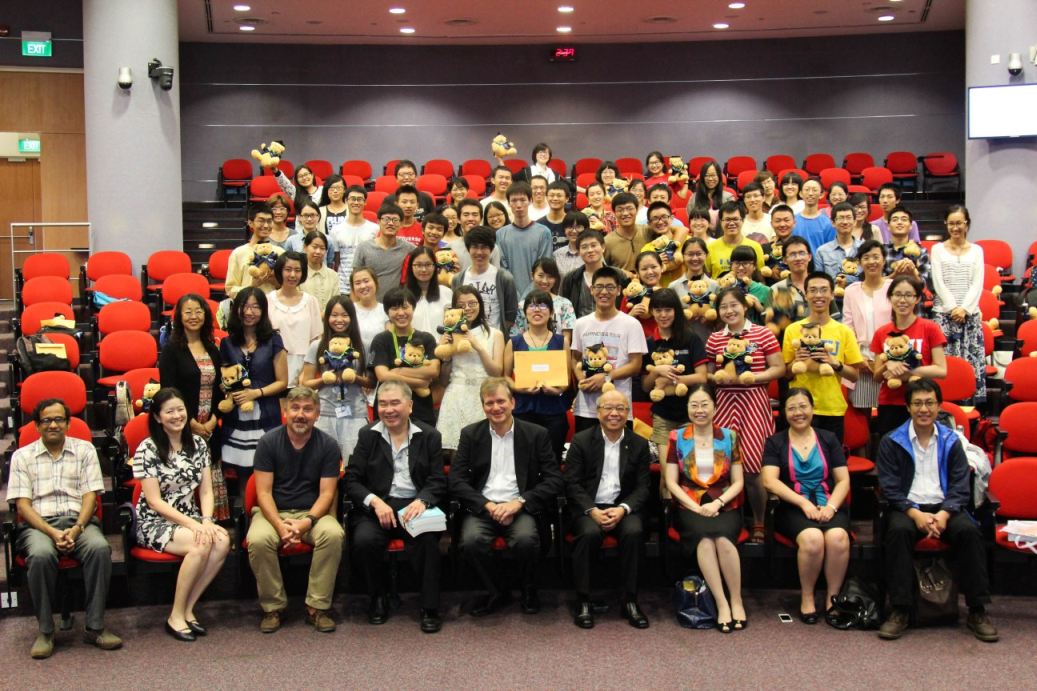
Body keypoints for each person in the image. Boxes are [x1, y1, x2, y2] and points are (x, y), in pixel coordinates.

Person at [875, 379, 997, 642]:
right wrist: (914, 513)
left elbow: (961, 485)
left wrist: (944, 513)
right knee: (898, 532)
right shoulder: (891, 441)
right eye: (917, 403)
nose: (924, 409)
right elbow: (889, 487)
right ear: (908, 407)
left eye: (930, 403)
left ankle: (977, 610)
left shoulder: (952, 441)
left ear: (939, 406)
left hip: (945, 509)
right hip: (908, 508)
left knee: (969, 532)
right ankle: (900, 609)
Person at [8, 399, 122, 659]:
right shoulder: (22, 457)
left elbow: (91, 496)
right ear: (37, 426)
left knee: (99, 548)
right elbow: (23, 506)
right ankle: (46, 631)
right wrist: (53, 533)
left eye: (59, 419)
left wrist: (77, 528)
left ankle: (95, 627)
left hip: (78, 522)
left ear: (68, 424)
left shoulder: (85, 450)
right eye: (46, 420)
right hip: (39, 526)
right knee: (40, 555)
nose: (53, 425)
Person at [450, 378, 564, 616]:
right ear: (483, 406)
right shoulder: (470, 434)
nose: (496, 407)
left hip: (520, 506)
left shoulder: (536, 434)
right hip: (483, 507)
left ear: (513, 403)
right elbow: (456, 480)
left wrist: (519, 503)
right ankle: (496, 591)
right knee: (471, 542)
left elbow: (554, 479)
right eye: (489, 403)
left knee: (526, 540)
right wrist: (487, 505)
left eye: (501, 401)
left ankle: (528, 589)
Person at [345, 381, 448, 633]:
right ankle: (377, 597)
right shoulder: (367, 435)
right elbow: (352, 480)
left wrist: (422, 500)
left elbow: (437, 480)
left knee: (427, 539)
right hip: (378, 505)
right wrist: (374, 501)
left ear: (410, 406)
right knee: (364, 541)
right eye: (383, 404)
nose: (388, 410)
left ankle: (429, 607)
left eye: (395, 403)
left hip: (414, 504)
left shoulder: (429, 436)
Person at [133, 388, 231, 641]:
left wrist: (206, 520)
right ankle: (175, 615)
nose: (177, 416)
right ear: (157, 417)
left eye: (180, 410)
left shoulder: (198, 444)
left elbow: (206, 491)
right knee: (200, 543)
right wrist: (195, 526)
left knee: (222, 541)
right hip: (154, 521)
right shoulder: (147, 448)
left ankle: (188, 608)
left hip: (191, 517)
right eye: (169, 412)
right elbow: (154, 501)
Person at [247, 386, 344, 634]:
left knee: (333, 534)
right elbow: (263, 493)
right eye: (295, 408)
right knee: (258, 539)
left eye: (308, 409)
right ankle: (273, 607)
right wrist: (280, 525)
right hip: (273, 512)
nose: (301, 415)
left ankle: (317, 607)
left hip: (312, 513)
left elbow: (327, 494)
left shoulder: (329, 445)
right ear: (285, 411)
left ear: (317, 414)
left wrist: (307, 521)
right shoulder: (268, 442)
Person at [564, 390, 652, 629]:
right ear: (598, 412)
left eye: (620, 408)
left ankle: (630, 600)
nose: (614, 413)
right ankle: (583, 600)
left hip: (623, 507)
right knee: (589, 533)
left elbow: (643, 487)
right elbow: (572, 483)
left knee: (634, 532)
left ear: (628, 412)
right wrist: (592, 510)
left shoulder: (639, 443)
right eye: (608, 408)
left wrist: (623, 509)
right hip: (589, 508)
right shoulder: (582, 441)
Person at [762, 388, 851, 624]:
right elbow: (769, 481)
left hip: (828, 503)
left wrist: (831, 507)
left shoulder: (828, 438)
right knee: (812, 539)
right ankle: (808, 596)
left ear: (812, 409)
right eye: (791, 408)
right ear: (784, 412)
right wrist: (803, 503)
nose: (798, 413)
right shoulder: (775, 441)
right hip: (793, 506)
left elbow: (843, 480)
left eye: (803, 406)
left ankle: (833, 597)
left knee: (838, 538)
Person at [664, 385, 747, 632]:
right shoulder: (676, 437)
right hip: (689, 506)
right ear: (687, 408)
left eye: (704, 404)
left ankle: (736, 600)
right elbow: (671, 481)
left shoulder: (730, 436)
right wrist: (694, 506)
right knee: (704, 539)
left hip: (725, 504)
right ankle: (721, 603)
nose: (699, 410)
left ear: (715, 407)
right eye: (694, 405)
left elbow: (738, 481)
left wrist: (718, 503)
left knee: (722, 539)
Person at [706, 286, 786, 541]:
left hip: (754, 403)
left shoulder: (763, 334)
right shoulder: (715, 338)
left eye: (734, 305)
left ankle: (760, 521)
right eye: (723, 307)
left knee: (752, 468)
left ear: (745, 306)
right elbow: (709, 373)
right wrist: (720, 378)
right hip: (724, 403)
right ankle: (730, 521)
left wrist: (754, 377)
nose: (729, 311)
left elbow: (779, 368)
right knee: (723, 466)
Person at [159, 293, 228, 520]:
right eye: (187, 312)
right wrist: (191, 424)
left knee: (210, 473)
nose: (193, 316)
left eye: (198, 311)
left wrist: (212, 421)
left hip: (209, 427)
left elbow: (220, 389)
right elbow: (168, 392)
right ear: (179, 317)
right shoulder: (171, 350)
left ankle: (211, 522)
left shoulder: (213, 348)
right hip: (182, 426)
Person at [781, 272, 865, 441]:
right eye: (813, 290)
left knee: (830, 456)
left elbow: (854, 376)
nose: (818, 295)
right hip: (800, 408)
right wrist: (797, 361)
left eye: (824, 290)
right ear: (806, 295)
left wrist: (835, 363)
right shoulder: (793, 330)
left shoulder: (844, 331)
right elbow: (786, 374)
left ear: (832, 294)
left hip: (831, 408)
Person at [219, 287, 289, 489]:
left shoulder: (274, 340)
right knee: (242, 471)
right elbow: (224, 377)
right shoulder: (227, 343)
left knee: (267, 467)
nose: (249, 312)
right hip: (238, 415)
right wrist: (228, 392)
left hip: (265, 412)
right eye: (245, 307)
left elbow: (282, 382)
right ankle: (245, 507)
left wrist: (256, 393)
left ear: (263, 310)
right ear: (237, 310)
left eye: (255, 307)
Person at [571, 266, 648, 432]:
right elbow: (575, 357)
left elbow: (636, 365)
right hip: (586, 408)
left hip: (618, 408)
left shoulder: (631, 324)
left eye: (610, 287)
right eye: (599, 287)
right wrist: (582, 380)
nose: (604, 292)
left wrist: (607, 377)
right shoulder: (580, 323)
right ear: (591, 290)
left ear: (619, 290)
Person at [871, 275, 948, 436]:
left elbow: (941, 370)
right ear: (890, 298)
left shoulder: (930, 328)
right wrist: (887, 365)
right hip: (890, 403)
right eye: (897, 294)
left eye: (908, 295)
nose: (902, 300)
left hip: (921, 402)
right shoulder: (881, 332)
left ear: (917, 299)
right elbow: (877, 377)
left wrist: (908, 371)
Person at [300, 296, 372, 463]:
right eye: (334, 315)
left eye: (345, 315)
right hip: (324, 413)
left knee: (354, 466)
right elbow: (306, 383)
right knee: (321, 465)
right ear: (327, 318)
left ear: (352, 317)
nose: (339, 320)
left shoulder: (363, 345)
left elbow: (372, 382)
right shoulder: (317, 346)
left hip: (355, 413)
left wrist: (354, 378)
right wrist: (325, 380)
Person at [504, 290, 572, 462]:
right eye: (532, 305)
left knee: (552, 459)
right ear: (525, 312)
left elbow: (567, 376)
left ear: (551, 312)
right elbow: (505, 377)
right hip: (523, 409)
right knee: (525, 461)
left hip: (554, 409)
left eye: (542, 305)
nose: (537, 310)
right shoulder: (514, 342)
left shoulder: (561, 341)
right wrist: (520, 388)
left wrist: (558, 390)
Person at [436, 285, 504, 451]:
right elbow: (443, 380)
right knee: (454, 451)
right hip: (456, 395)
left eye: (472, 303)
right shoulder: (450, 334)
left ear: (480, 304)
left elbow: (496, 373)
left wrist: (478, 346)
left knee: (483, 449)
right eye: (461, 305)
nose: (467, 308)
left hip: (484, 395)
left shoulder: (495, 334)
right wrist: (446, 355)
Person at [930, 204, 986, 404]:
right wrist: (953, 307)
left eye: (959, 223)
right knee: (946, 365)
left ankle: (970, 409)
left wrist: (965, 309)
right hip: (944, 315)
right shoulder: (937, 249)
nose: (955, 228)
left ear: (967, 224)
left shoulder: (977, 250)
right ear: (946, 224)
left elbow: (977, 283)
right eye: (951, 223)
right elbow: (938, 281)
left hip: (970, 315)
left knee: (970, 365)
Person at [642, 289, 709, 452]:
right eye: (658, 310)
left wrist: (672, 379)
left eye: (668, 310)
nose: (663, 315)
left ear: (676, 311)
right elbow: (645, 386)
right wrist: (656, 371)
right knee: (665, 468)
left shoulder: (691, 338)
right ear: (652, 312)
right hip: (662, 415)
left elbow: (702, 377)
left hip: (691, 413)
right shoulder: (648, 343)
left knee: (688, 465)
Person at [369, 287, 441, 426]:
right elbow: (382, 376)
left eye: (405, 307)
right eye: (395, 308)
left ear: (413, 308)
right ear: (387, 312)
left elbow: (433, 371)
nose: (401, 313)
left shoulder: (426, 338)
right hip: (389, 410)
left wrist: (397, 371)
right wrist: (420, 382)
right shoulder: (381, 340)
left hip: (421, 409)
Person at [841, 239, 892, 413]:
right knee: (862, 414)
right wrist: (858, 358)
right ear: (859, 262)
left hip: (888, 360)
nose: (871, 262)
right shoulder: (851, 290)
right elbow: (848, 327)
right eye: (866, 257)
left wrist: (885, 359)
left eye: (876, 257)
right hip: (861, 360)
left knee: (887, 412)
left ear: (883, 260)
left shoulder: (893, 287)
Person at [266, 251, 322, 386]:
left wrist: (306, 372)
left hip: (304, 366)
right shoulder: (268, 300)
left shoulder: (311, 301)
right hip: (273, 364)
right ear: (280, 271)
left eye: (297, 270)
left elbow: (316, 339)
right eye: (288, 270)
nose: (292, 275)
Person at [451, 225, 518, 334]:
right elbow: (455, 310)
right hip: (466, 338)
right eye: (475, 247)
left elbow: (511, 315)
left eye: (484, 247)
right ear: (468, 249)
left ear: (491, 249)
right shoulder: (458, 279)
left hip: (495, 338)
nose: (479, 252)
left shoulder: (504, 278)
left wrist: (499, 336)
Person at [496, 181, 553, 298]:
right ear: (508, 203)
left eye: (522, 200)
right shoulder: (500, 234)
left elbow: (543, 268)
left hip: (537, 296)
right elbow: (503, 269)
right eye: (514, 200)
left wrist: (526, 297)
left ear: (530, 201)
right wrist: (516, 296)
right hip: (510, 296)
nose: (518, 205)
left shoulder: (544, 232)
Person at [353, 203, 413, 301]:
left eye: (395, 220)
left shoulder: (408, 248)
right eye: (386, 219)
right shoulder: (363, 248)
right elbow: (355, 280)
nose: (390, 223)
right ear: (378, 221)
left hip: (395, 304)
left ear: (401, 224)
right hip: (369, 304)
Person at [511, 257, 576, 347]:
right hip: (528, 352)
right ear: (532, 275)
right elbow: (517, 335)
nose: (545, 281)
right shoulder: (522, 305)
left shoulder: (565, 304)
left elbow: (567, 339)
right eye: (540, 275)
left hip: (557, 351)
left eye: (550, 277)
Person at [225, 204, 286, 298]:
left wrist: (275, 282)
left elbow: (290, 288)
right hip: (248, 304)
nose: (266, 225)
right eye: (261, 221)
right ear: (250, 223)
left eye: (269, 221)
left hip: (274, 304)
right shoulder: (238, 253)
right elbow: (230, 290)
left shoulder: (280, 252)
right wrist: (252, 286)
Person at [327, 185, 377, 294]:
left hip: (367, 286)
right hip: (343, 287)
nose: (356, 202)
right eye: (352, 199)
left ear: (365, 202)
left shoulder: (375, 229)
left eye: (360, 199)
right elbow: (336, 261)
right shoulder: (336, 230)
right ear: (346, 201)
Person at [350, 266, 387, 410]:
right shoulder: (349, 310)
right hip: (352, 372)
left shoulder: (385, 311)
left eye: (366, 281)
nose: (363, 286)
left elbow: (387, 347)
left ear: (375, 282)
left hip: (378, 372)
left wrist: (371, 375)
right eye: (358, 283)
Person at [668, 237, 717, 343]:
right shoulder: (673, 287)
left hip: (709, 342)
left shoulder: (715, 286)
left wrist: (710, 319)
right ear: (683, 256)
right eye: (690, 254)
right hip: (682, 342)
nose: (695, 258)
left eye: (699, 254)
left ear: (706, 255)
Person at [707, 201, 764, 278]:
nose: (731, 223)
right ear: (721, 222)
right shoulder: (711, 248)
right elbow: (706, 279)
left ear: (742, 220)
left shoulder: (755, 247)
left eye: (735, 219)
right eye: (727, 219)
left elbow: (760, 277)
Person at [559, 229, 607, 319]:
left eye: (593, 245)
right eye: (584, 247)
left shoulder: (616, 275)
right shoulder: (570, 278)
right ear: (578, 251)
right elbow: (563, 308)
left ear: (603, 247)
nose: (590, 250)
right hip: (579, 326)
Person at [405, 245, 452, 335]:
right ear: (411, 267)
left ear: (435, 266)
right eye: (418, 265)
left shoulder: (447, 293)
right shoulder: (403, 296)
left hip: (442, 343)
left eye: (428, 265)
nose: (423, 269)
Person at [603, 192, 649, 279]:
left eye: (629, 208)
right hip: (622, 286)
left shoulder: (647, 231)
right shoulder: (607, 241)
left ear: (637, 210)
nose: (625, 213)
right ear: (614, 213)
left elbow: (676, 229)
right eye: (620, 210)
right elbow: (603, 270)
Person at [621, 251, 666, 337]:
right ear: (637, 273)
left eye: (654, 267)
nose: (650, 272)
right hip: (637, 342)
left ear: (662, 267)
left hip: (664, 342)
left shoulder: (668, 294)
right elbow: (621, 327)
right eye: (644, 269)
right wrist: (632, 314)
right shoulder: (630, 296)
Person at [642, 201, 689, 286]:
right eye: (655, 218)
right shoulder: (647, 249)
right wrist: (656, 262)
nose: (660, 222)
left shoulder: (687, 240)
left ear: (671, 218)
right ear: (649, 223)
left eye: (664, 217)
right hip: (662, 291)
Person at [883, 205, 930, 286]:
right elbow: (876, 283)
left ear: (911, 226)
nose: (899, 222)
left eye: (904, 219)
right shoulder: (881, 251)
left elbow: (923, 285)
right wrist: (895, 275)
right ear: (888, 226)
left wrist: (913, 272)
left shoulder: (921, 251)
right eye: (895, 220)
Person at [814, 202, 861, 281]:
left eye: (848, 218)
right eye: (841, 218)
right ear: (833, 223)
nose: (845, 222)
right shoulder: (822, 251)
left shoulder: (863, 248)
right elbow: (819, 281)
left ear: (855, 222)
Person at [726, 245, 771, 325]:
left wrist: (760, 308)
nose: (740, 268)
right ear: (731, 265)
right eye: (737, 263)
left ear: (754, 266)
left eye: (745, 263)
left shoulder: (765, 290)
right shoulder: (725, 289)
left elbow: (773, 322)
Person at [299, 230, 339, 312]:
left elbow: (336, 303)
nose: (318, 252)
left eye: (322, 248)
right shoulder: (298, 274)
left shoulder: (333, 275)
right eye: (314, 247)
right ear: (305, 247)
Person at [794, 178, 836, 253]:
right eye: (807, 190)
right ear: (800, 194)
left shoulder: (828, 223)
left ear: (821, 194)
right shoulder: (793, 221)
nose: (810, 193)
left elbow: (830, 250)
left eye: (814, 190)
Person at [553, 210, 589, 277]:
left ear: (586, 229)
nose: (574, 231)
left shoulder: (592, 252)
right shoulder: (557, 255)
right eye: (570, 227)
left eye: (578, 227)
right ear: (564, 229)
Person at [316, 174, 348, 240]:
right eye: (331, 188)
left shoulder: (351, 210)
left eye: (338, 188)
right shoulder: (320, 211)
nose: (335, 191)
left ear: (344, 190)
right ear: (327, 191)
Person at [541, 181, 572, 249]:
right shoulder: (539, 224)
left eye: (559, 196)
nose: (555, 198)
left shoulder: (573, 223)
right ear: (546, 197)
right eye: (551, 195)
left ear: (567, 199)